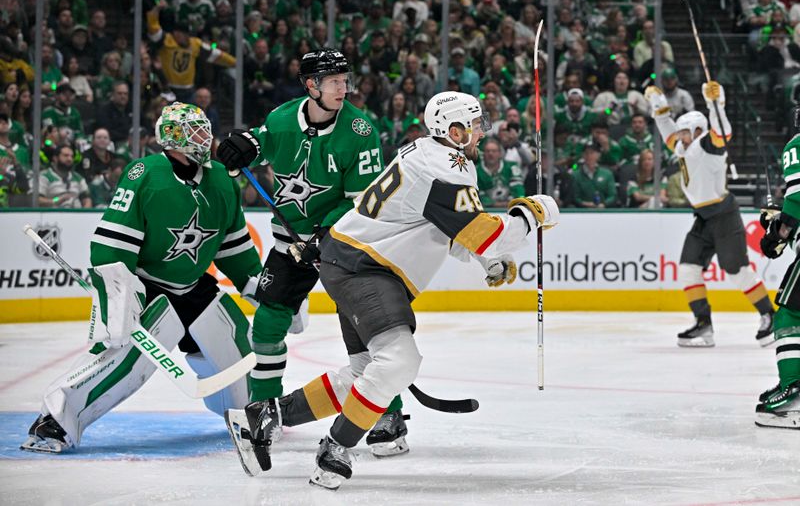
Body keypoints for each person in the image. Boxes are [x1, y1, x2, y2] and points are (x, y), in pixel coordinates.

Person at [223, 91, 559, 489]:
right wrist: (530, 215)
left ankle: (265, 416)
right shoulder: (447, 165)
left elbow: (445, 228)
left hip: (350, 261)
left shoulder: (426, 154)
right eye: (474, 126)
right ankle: (335, 449)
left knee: (368, 373)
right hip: (366, 268)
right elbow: (481, 234)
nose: (481, 133)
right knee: (399, 362)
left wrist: (487, 260)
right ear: (453, 130)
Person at [21, 103, 264, 454]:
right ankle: (55, 420)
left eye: (203, 128)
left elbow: (233, 246)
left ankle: (253, 412)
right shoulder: (144, 174)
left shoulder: (222, 181)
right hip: (149, 286)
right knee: (123, 359)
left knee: (235, 343)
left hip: (195, 288)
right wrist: (121, 297)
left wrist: (258, 285)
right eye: (193, 131)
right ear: (172, 138)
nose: (204, 137)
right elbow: (111, 246)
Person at [214, 49, 398, 427]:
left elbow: (364, 203)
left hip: (342, 245)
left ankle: (388, 416)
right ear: (311, 85)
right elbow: (259, 145)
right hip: (290, 247)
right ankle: (263, 413)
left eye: (345, 80)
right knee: (266, 326)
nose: (343, 89)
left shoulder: (360, 132)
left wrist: (323, 232)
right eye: (334, 82)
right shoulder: (282, 119)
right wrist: (242, 146)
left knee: (365, 326)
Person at [645, 82, 775, 347]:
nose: (679, 138)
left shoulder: (707, 145)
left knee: (737, 271)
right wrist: (659, 109)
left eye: (684, 133)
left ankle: (769, 316)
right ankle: (703, 324)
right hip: (703, 217)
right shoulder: (686, 148)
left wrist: (717, 105)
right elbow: (668, 133)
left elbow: (723, 133)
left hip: (724, 215)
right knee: (688, 268)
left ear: (697, 131)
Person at [755, 106, 800, 429]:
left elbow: (797, 200)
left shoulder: (796, 146)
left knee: (789, 314)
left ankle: (794, 391)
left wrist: (777, 231)